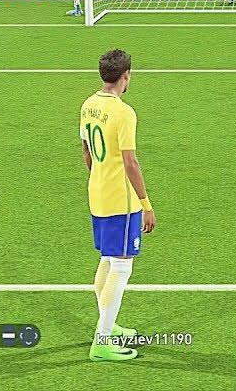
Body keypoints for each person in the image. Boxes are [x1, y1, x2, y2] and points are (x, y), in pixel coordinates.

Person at [82, 48, 156, 362]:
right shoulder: (124, 112)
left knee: (108, 259)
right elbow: (130, 162)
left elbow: (86, 151)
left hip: (97, 193)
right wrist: (146, 204)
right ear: (126, 76)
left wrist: (98, 177)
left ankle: (108, 325)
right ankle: (102, 340)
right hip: (120, 200)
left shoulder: (88, 105)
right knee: (122, 265)